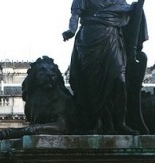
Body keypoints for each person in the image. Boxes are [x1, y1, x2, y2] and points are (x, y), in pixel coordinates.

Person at [63, 0, 148, 134]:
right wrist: (71, 30)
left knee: (120, 81)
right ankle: (95, 122)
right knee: (91, 83)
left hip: (112, 37)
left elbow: (126, 10)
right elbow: (75, 15)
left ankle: (120, 123)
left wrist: (136, 7)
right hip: (90, 38)